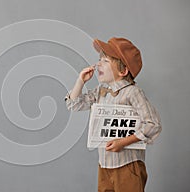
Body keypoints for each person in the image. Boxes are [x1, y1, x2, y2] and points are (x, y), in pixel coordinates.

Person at [65, 37, 162, 192]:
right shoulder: (100, 91)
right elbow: (74, 104)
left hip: (128, 165)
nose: (98, 64)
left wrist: (123, 142)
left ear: (123, 71)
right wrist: (80, 81)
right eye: (99, 59)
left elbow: (153, 124)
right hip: (104, 164)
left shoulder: (133, 92)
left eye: (105, 61)